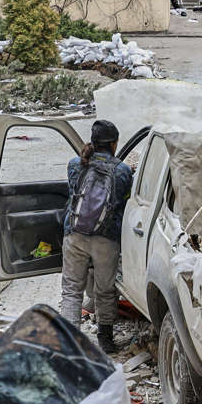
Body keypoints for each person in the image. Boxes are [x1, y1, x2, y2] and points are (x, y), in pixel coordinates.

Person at [59, 120, 132, 353]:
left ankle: (71, 342)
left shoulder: (75, 164)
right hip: (106, 239)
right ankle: (105, 338)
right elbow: (124, 203)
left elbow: (73, 194)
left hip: (75, 235)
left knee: (72, 290)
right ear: (113, 144)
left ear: (92, 141)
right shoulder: (122, 170)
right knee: (105, 289)